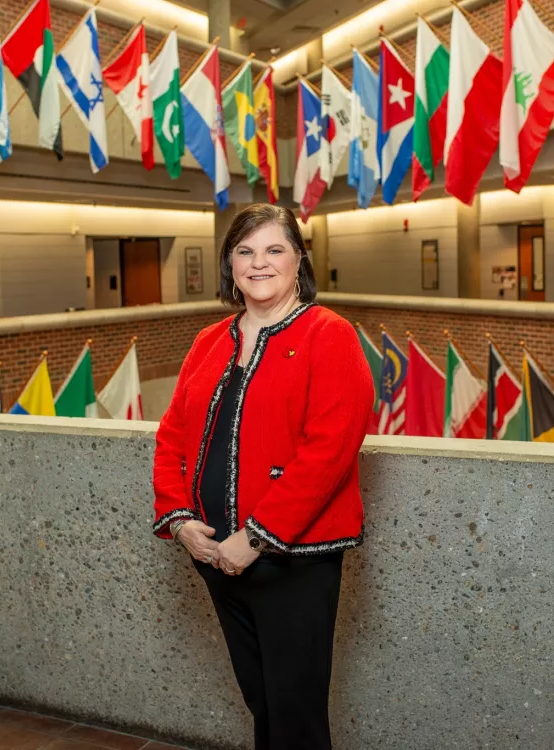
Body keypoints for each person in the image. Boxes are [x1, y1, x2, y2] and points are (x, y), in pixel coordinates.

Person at [152, 204, 374, 750]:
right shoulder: (209, 340)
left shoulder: (330, 334)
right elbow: (172, 435)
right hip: (215, 560)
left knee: (296, 715)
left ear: (299, 260)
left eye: (275, 249)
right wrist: (180, 521)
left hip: (292, 563)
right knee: (262, 703)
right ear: (230, 264)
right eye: (245, 251)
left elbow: (329, 452)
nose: (259, 263)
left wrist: (254, 539)